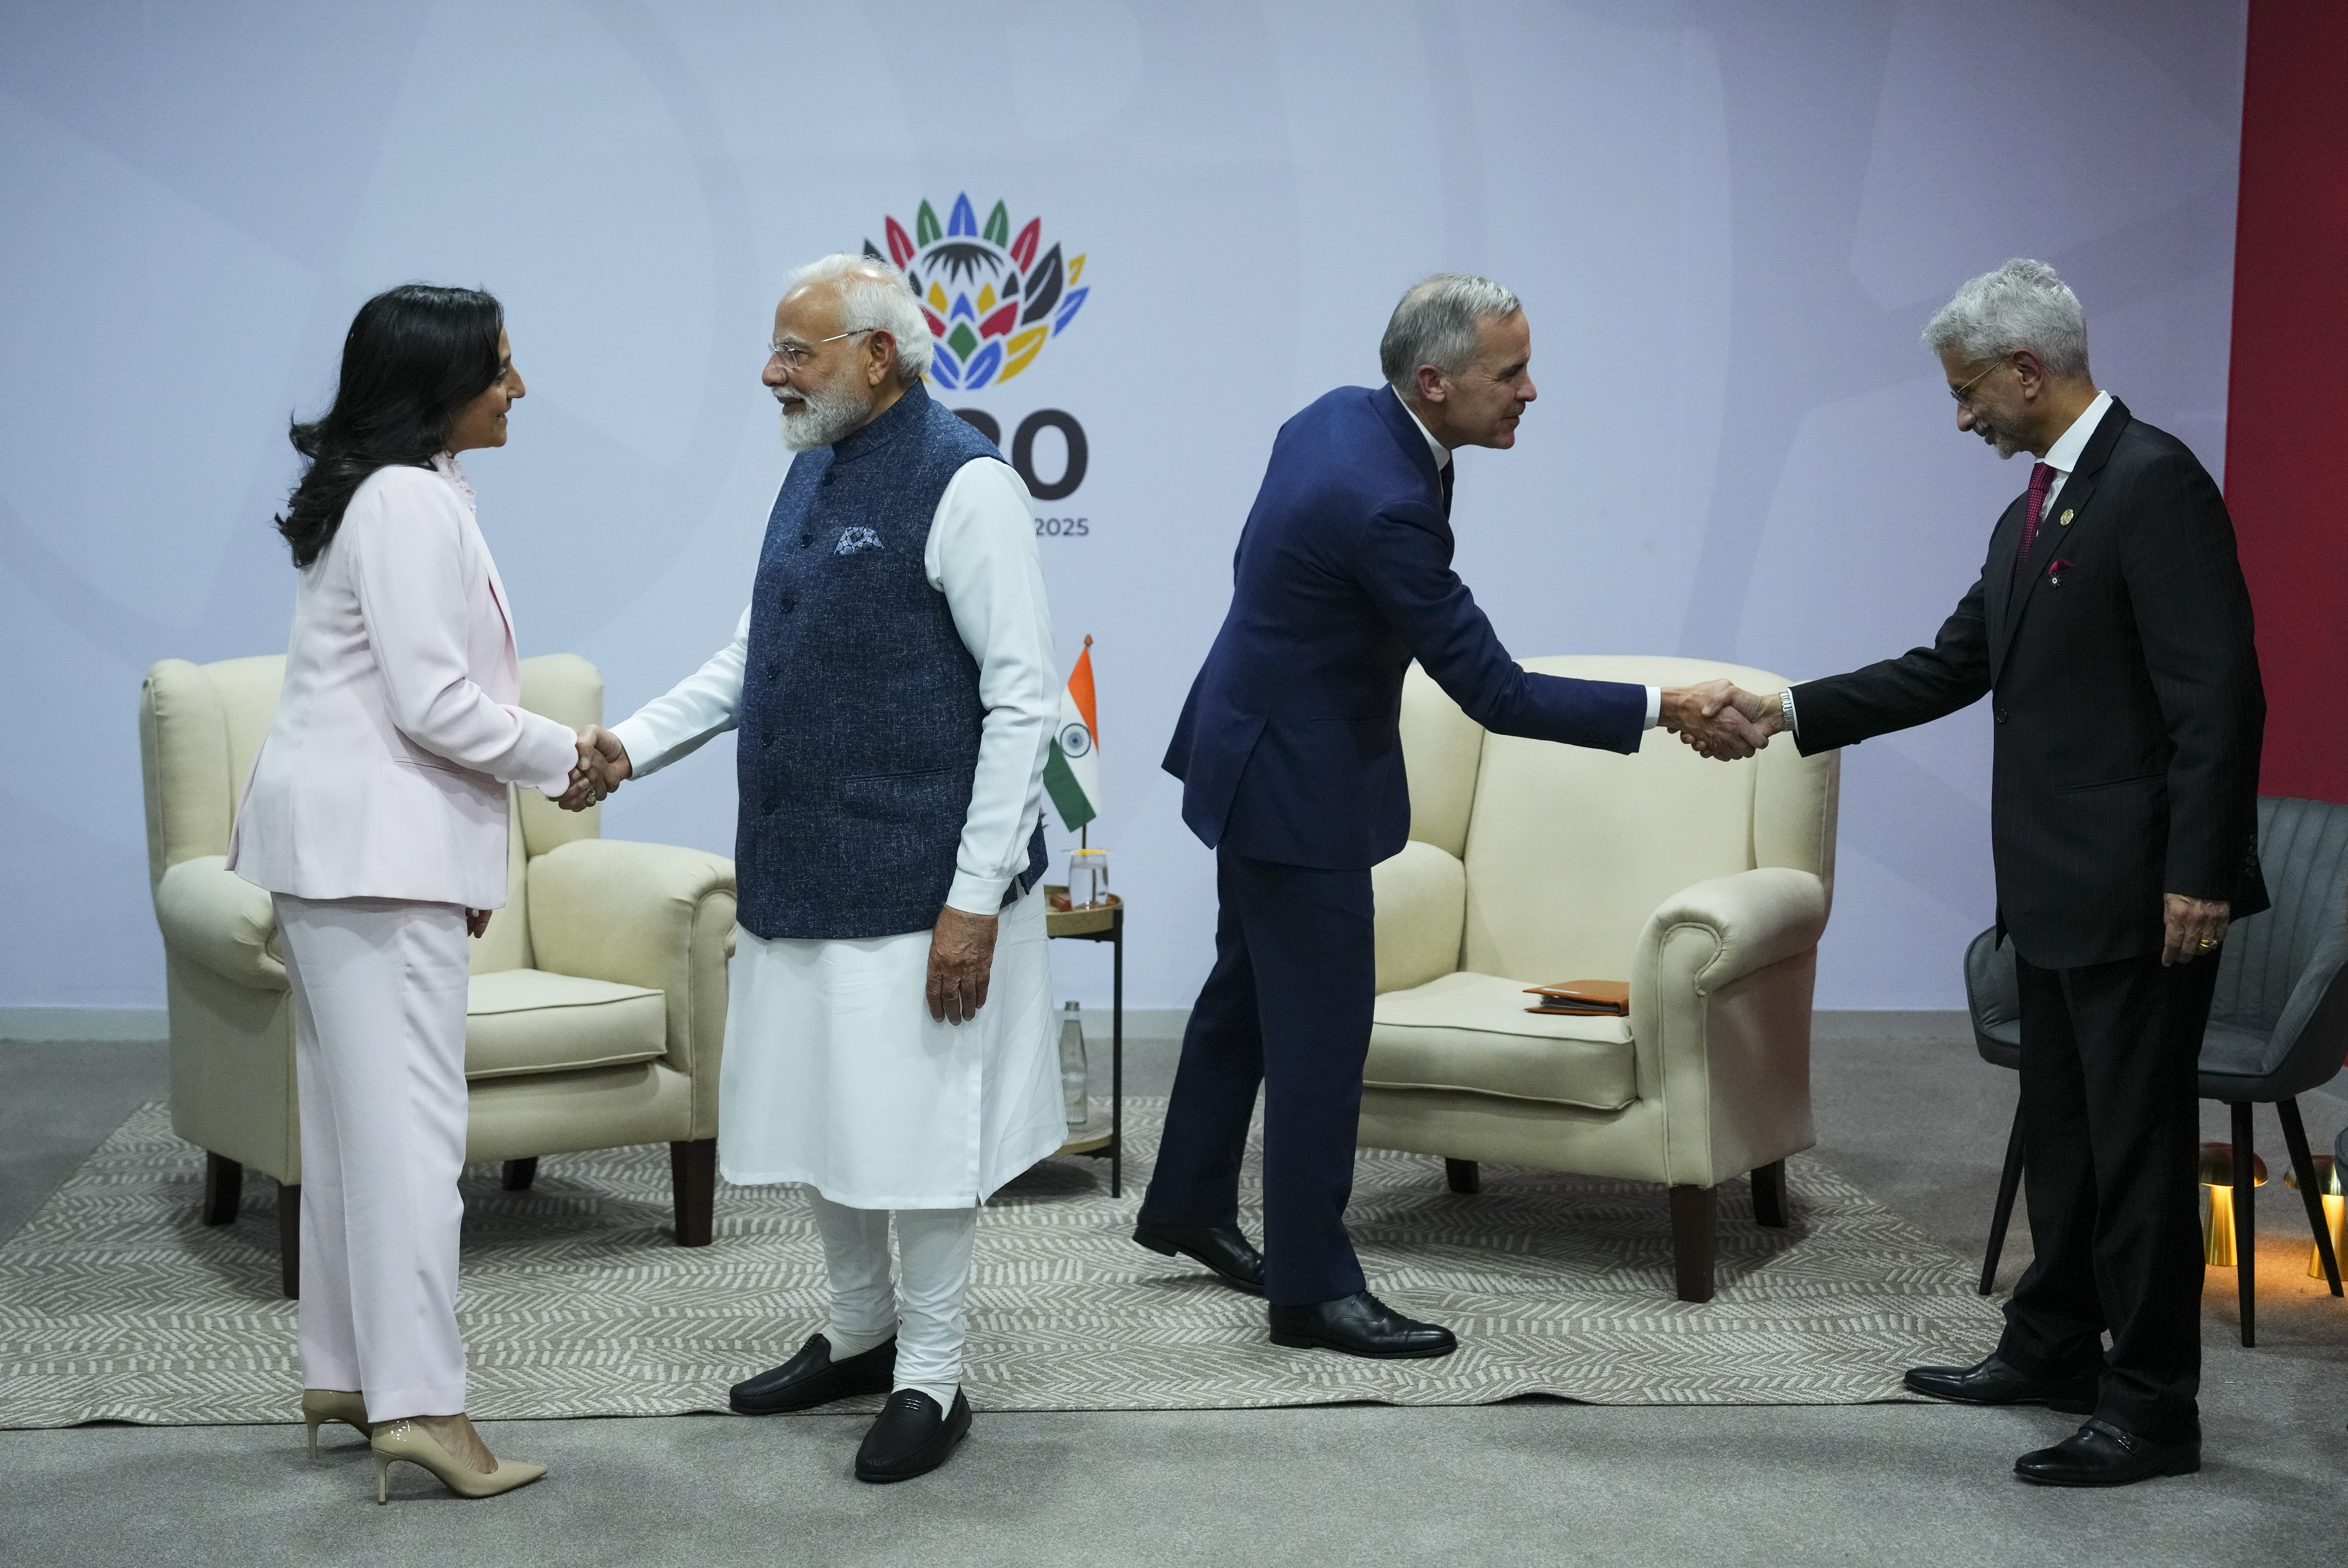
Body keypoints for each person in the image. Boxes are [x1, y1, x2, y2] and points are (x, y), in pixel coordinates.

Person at [1707, 259, 2266, 1486]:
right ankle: (2054, 1343)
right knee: (2065, 1137)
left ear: (2027, 369)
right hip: (2056, 889)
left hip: (2141, 898)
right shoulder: (2036, 507)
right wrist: (1785, 708)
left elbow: (2219, 694)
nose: (1961, 417)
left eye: (1968, 392)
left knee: (2138, 1157)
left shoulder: (2155, 482)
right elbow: (1949, 664)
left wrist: (2202, 874)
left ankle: (2152, 1407)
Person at [1137, 274, 1766, 1357]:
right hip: (1293, 786)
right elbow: (1495, 690)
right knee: (1320, 1043)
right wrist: (1666, 707)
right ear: (1432, 381)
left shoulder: (1336, 416)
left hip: (1246, 745)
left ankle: (1190, 1201)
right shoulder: (1382, 502)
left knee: (1244, 995)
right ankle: (1310, 1291)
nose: (1531, 391)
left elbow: (1260, 572)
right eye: (1509, 372)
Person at [566, 253, 1060, 1483]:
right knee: (827, 1118)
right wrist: (631, 744)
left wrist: (972, 900)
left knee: (920, 1134)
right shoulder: (810, 466)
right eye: (776, 348)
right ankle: (858, 1331)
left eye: (797, 351)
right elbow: (754, 657)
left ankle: (932, 1373)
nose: (770, 372)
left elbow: (1023, 704)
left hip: (920, 889)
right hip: (802, 872)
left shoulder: (968, 483)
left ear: (877, 356)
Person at [228, 284, 593, 1502]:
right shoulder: (405, 501)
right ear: (439, 383)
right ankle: (425, 1406)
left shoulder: (390, 492)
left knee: (353, 1137)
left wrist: (469, 861)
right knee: (412, 1150)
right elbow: (433, 703)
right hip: (372, 858)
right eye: (500, 366)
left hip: (355, 856)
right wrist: (566, 755)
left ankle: (346, 1374)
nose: (518, 386)